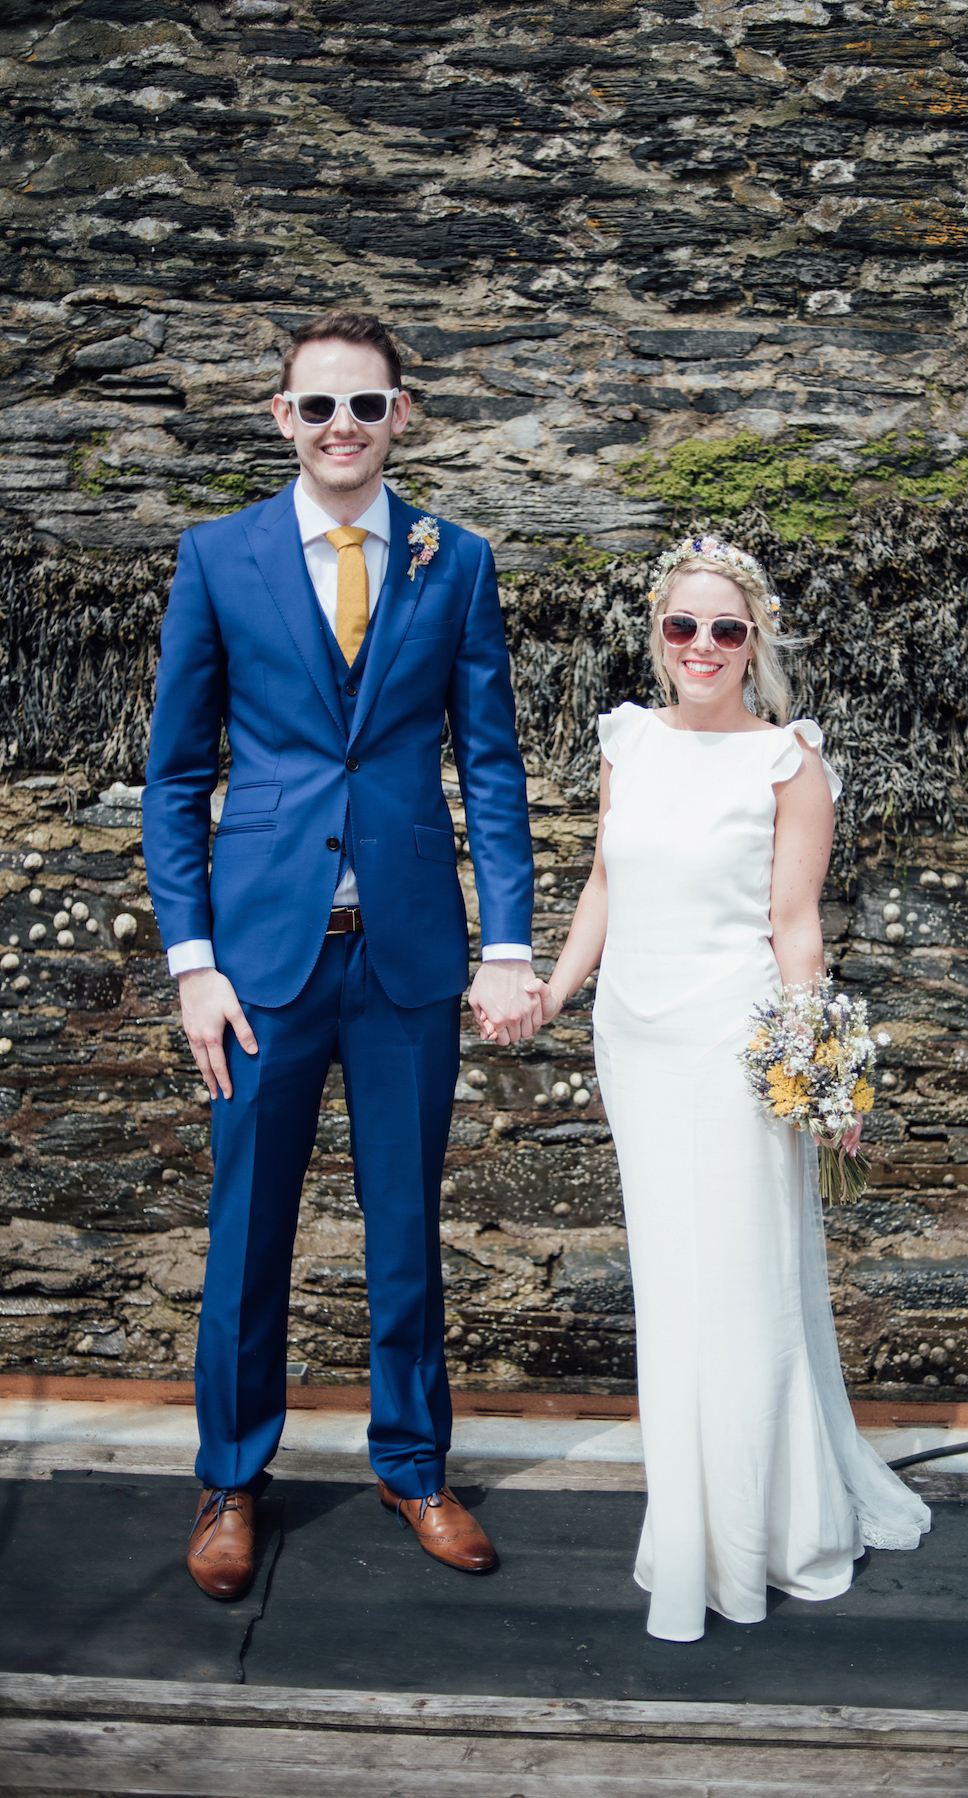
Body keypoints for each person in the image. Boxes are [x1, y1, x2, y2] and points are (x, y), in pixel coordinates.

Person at [142, 310, 540, 1600]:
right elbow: (174, 777)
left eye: (365, 406)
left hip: (409, 955)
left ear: (402, 416)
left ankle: (414, 1464)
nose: (343, 430)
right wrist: (192, 956)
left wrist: (509, 940)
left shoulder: (455, 559)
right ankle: (230, 1479)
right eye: (318, 408)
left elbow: (487, 762)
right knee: (247, 1228)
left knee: (406, 1226)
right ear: (282, 419)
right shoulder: (218, 557)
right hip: (259, 961)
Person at [533, 535, 930, 1641]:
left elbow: (795, 927)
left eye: (725, 629)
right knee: (672, 1284)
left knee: (747, 1282)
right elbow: (604, 880)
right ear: (657, 637)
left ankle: (767, 1527)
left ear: (754, 644)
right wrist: (559, 990)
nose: (701, 646)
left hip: (732, 1040)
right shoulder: (626, 741)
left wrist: (820, 1071)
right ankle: (691, 1514)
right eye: (682, 626)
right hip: (636, 1038)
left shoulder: (789, 762)